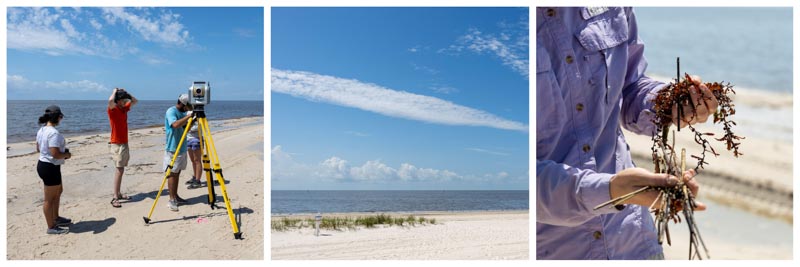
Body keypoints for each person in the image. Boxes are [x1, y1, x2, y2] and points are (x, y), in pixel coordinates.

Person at [536, 7, 714, 260]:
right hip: (555, 250)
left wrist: (668, 103)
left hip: (633, 242)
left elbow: (628, 86)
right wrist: (609, 190)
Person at [35, 105, 73, 235]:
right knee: (49, 199)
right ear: (57, 117)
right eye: (61, 117)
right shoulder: (53, 133)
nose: (61, 119)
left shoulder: (42, 130)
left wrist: (59, 154)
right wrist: (67, 155)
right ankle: (51, 227)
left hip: (47, 165)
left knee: (58, 192)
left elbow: (38, 149)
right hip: (49, 167)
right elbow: (55, 154)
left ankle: (56, 218)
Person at [107, 88, 138, 208]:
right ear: (118, 100)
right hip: (116, 144)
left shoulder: (124, 109)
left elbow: (135, 101)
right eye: (123, 99)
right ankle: (115, 197)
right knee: (119, 170)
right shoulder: (113, 110)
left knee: (122, 169)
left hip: (124, 142)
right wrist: (115, 91)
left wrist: (127, 94)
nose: (126, 101)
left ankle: (119, 193)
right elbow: (110, 101)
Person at [164, 94, 193, 211]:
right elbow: (175, 125)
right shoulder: (171, 111)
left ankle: (175, 196)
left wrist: (192, 119)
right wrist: (189, 116)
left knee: (177, 173)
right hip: (172, 147)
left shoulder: (184, 113)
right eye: (188, 106)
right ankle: (171, 200)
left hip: (182, 147)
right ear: (182, 104)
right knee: (172, 174)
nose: (189, 109)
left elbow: (187, 128)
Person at [184, 104, 204, 189]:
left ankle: (198, 180)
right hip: (188, 139)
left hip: (196, 138)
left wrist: (189, 124)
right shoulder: (187, 113)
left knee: (197, 160)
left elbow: (197, 127)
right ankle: (195, 177)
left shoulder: (199, 114)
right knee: (193, 160)